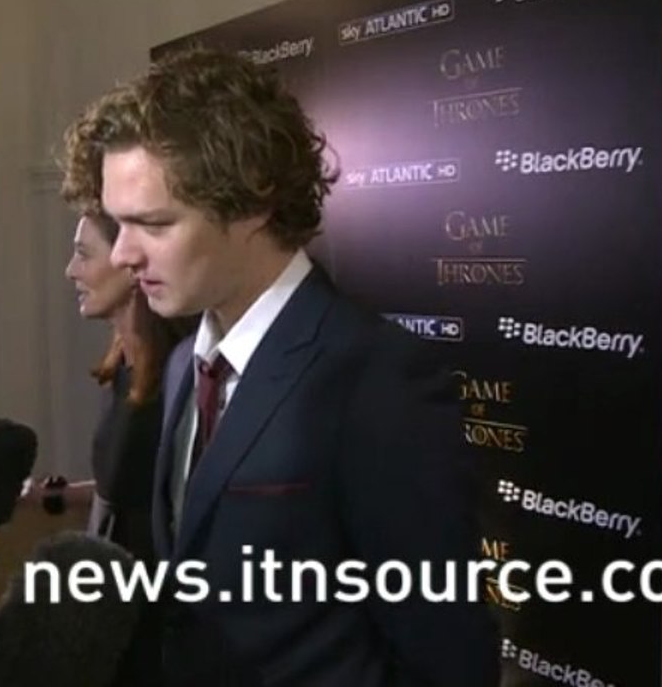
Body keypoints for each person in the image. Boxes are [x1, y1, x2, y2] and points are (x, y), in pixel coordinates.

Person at [59, 47, 499, 686]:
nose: (123, 254)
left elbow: (447, 656)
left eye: (152, 223)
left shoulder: (376, 378)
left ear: (253, 202)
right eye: (116, 224)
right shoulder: (186, 363)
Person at [58, 210, 193, 563]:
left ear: (129, 261)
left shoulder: (177, 381)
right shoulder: (121, 367)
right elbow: (127, 492)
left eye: (84, 254)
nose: (70, 270)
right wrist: (58, 495)